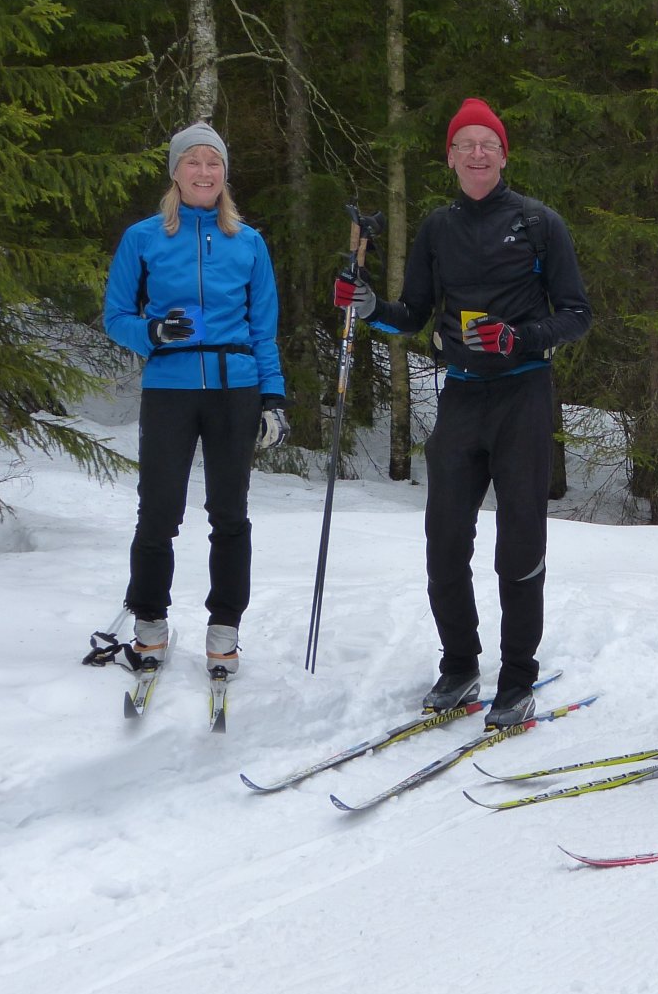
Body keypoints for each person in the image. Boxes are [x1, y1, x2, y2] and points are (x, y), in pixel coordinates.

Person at [336, 98, 592, 726]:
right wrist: (368, 306)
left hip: (523, 394)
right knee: (445, 539)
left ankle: (517, 677)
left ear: (504, 155)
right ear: (450, 157)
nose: (477, 154)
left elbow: (577, 314)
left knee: (520, 542)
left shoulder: (539, 223)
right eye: (465, 144)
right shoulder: (437, 227)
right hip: (461, 396)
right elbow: (414, 312)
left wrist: (520, 337)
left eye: (489, 144)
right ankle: (459, 665)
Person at [101, 122, 288, 678]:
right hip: (171, 389)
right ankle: (151, 627)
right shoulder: (144, 237)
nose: (204, 172)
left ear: (224, 175)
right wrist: (153, 333)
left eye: (213, 163)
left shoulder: (248, 242)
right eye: (193, 162)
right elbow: (116, 317)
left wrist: (272, 398)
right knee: (158, 512)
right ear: (175, 171)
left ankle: (224, 630)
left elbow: (264, 329)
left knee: (230, 514)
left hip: (236, 388)